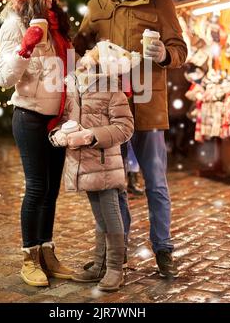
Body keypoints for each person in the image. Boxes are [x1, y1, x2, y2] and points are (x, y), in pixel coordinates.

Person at [74, 0, 188, 278]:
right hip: (109, 109)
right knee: (113, 182)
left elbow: (180, 50)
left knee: (154, 181)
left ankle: (163, 249)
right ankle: (116, 253)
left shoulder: (160, 3)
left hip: (148, 105)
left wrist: (166, 54)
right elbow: (80, 46)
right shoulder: (96, 6)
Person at [0, 0, 73, 286]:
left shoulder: (56, 25)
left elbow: (68, 66)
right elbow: (3, 78)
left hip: (58, 118)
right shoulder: (14, 25)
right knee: (37, 187)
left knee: (52, 190)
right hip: (29, 116)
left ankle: (47, 253)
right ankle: (29, 257)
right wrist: (25, 47)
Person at [49, 47, 134, 291]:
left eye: (92, 59)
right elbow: (67, 120)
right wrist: (59, 135)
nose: (85, 59)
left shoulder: (111, 89)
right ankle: (99, 265)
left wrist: (91, 136)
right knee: (99, 216)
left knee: (110, 213)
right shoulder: (73, 86)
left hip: (104, 163)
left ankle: (115, 267)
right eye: (85, 58)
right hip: (83, 163)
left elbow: (125, 127)